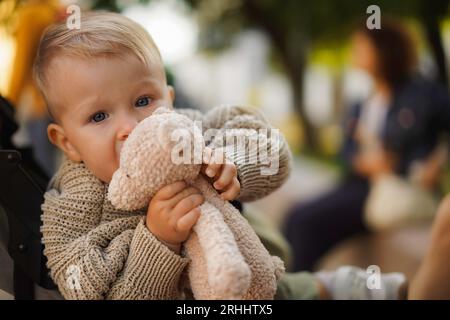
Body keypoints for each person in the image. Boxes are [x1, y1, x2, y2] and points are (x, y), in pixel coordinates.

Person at [37, 11, 405, 300]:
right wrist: (158, 240)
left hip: (260, 274)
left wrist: (235, 163)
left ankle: (349, 287)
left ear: (168, 97)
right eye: (99, 116)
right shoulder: (70, 210)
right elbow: (88, 290)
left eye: (143, 101)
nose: (130, 127)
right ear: (66, 142)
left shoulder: (189, 129)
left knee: (295, 292)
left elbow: (271, 150)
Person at [284, 19, 450, 272]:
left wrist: (433, 162)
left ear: (384, 50)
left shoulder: (424, 94)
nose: (354, 54)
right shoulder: (363, 101)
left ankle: (299, 289)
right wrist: (361, 161)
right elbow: (346, 150)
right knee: (295, 217)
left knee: (305, 223)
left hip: (391, 187)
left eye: (361, 47)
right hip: (358, 184)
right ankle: (297, 286)